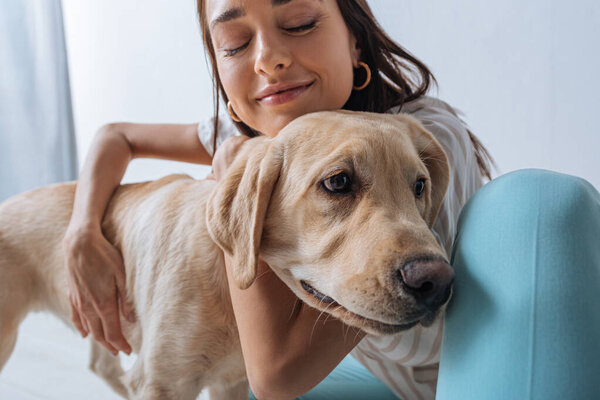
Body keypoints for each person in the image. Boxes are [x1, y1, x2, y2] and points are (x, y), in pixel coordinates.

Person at [63, 1, 600, 399]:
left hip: (461, 370)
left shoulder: (422, 137)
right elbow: (117, 136)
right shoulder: (250, 140)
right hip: (375, 376)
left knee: (533, 200)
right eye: (234, 44)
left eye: (298, 22)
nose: (269, 58)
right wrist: (82, 231)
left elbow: (275, 374)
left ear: (355, 41)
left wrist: (242, 183)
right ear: (221, 76)